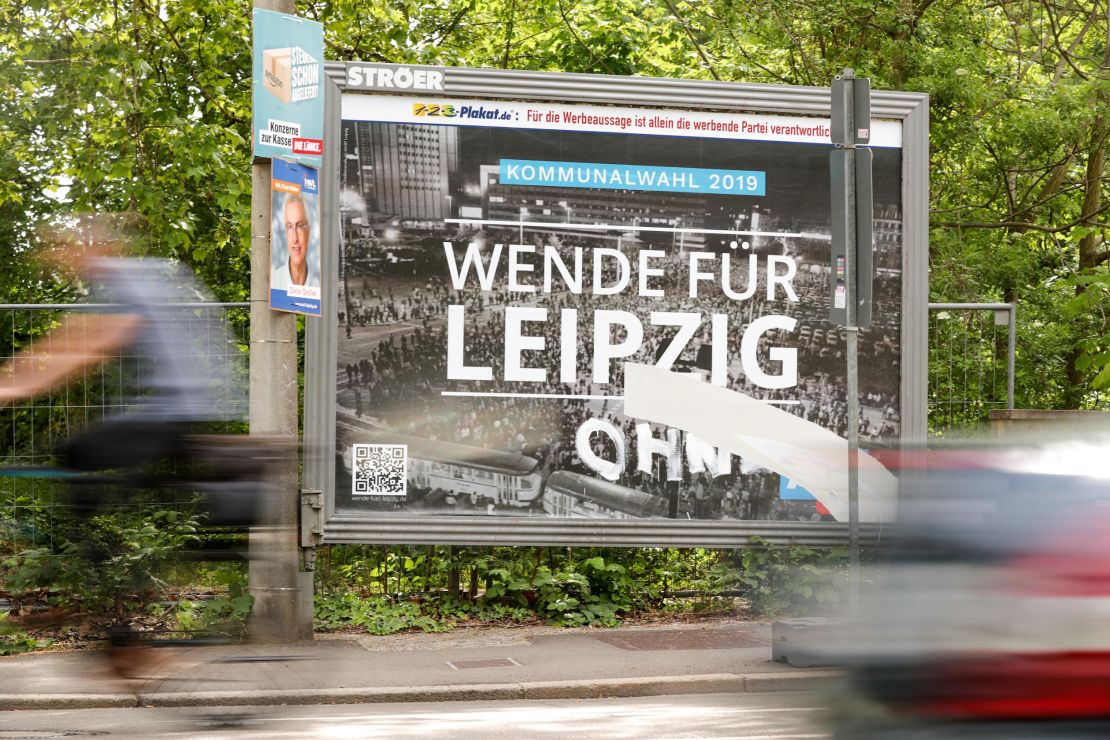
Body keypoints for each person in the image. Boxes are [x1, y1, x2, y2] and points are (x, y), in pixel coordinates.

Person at [271, 193, 317, 290]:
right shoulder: (273, 282)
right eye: (290, 227)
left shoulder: (319, 286)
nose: (295, 238)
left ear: (309, 232)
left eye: (299, 226)